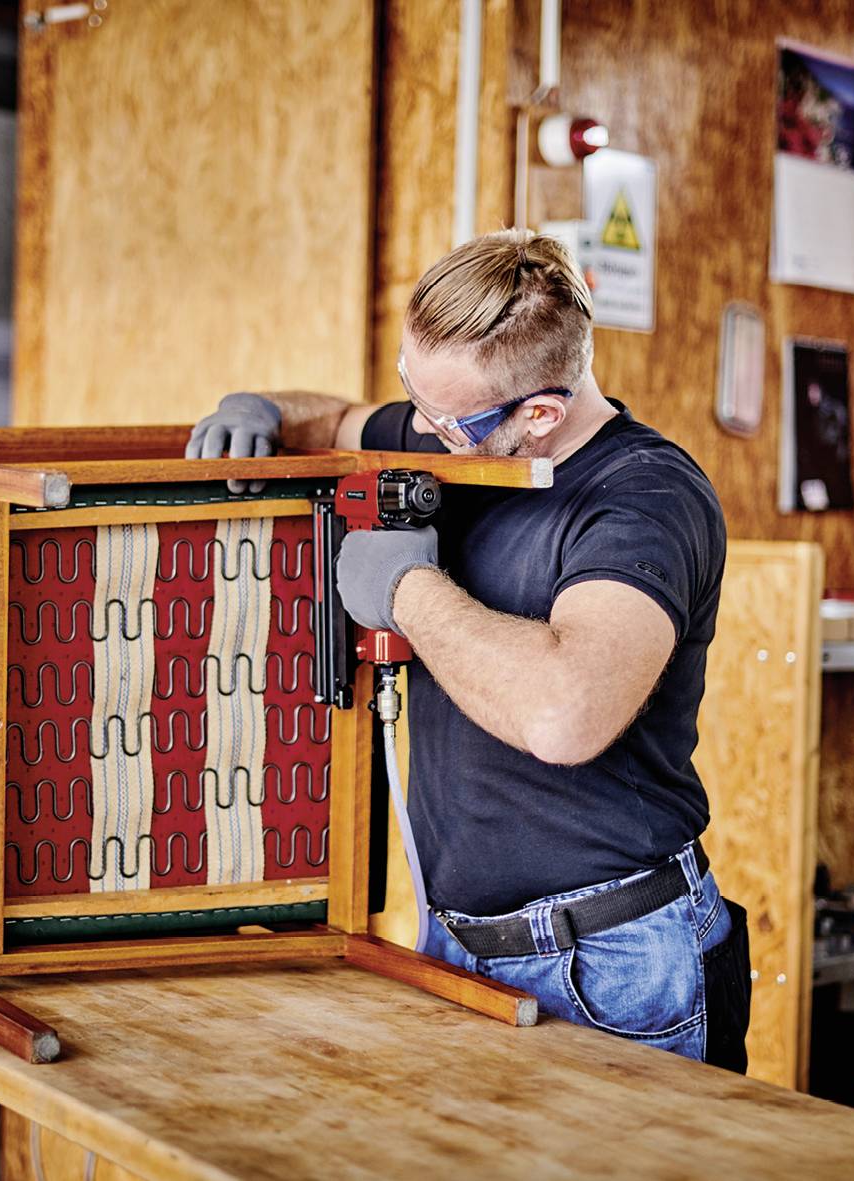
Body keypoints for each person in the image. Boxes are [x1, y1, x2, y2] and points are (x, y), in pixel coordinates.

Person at [185, 229, 749, 1068]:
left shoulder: (646, 498)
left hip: (614, 962)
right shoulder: (450, 429)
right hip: (456, 946)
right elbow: (333, 417)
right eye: (413, 389)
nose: (419, 427)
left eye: (447, 419)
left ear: (542, 413)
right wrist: (258, 409)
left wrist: (407, 590)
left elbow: (567, 713)